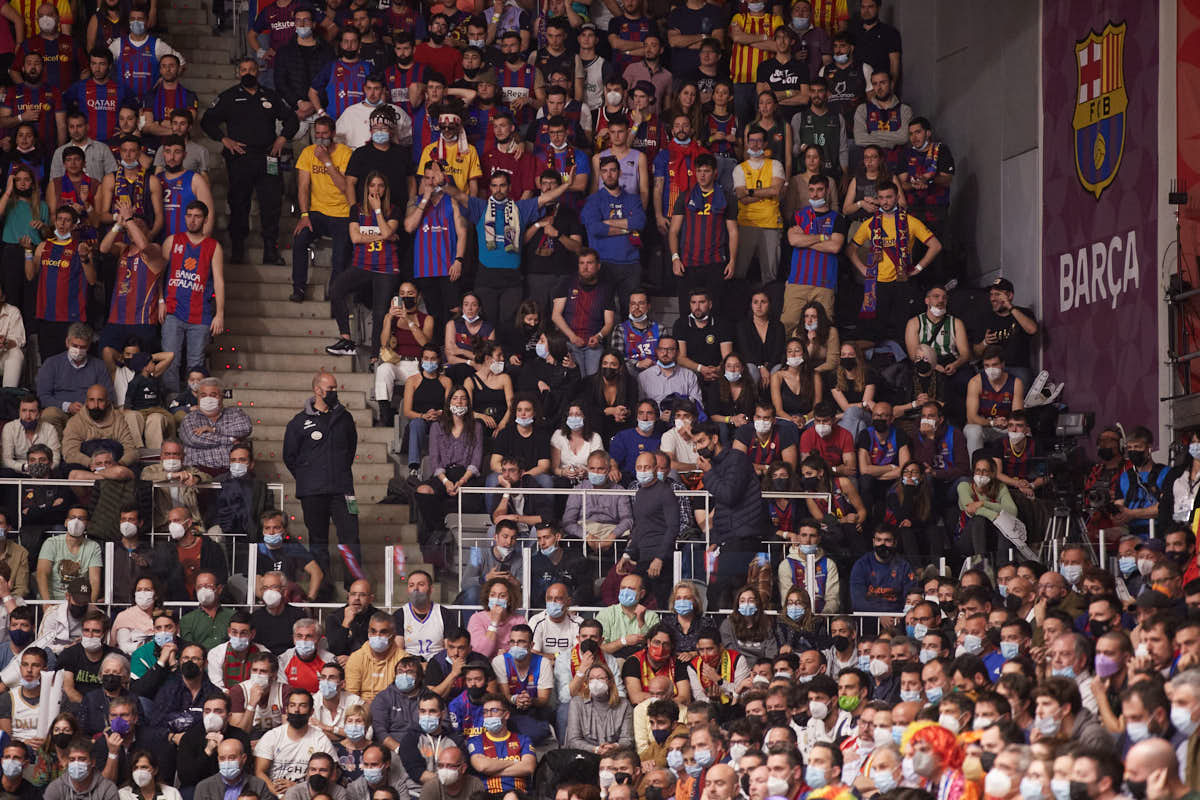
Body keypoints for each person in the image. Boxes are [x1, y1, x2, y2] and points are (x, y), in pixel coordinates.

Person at [199, 57, 298, 265]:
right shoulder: (229, 97)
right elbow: (207, 121)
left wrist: (282, 138)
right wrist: (224, 139)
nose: (248, 73)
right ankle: (237, 249)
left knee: (271, 204)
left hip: (268, 158)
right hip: (240, 158)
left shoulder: (270, 96)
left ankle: (270, 250)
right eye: (243, 70)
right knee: (238, 204)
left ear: (258, 72)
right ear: (238, 73)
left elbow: (292, 119)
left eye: (251, 69)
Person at [282, 372, 362, 589]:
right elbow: (289, 456)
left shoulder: (345, 417)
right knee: (318, 538)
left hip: (344, 490)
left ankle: (354, 585)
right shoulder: (299, 422)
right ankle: (324, 587)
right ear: (317, 390)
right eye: (330, 389)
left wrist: (340, 471)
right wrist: (308, 477)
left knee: (351, 535)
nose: (334, 392)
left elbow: (350, 449)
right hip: (312, 492)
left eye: (336, 388)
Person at [846, 180, 941, 343]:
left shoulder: (910, 221)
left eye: (889, 197)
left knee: (902, 331)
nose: (885, 201)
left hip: (902, 282)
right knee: (874, 332)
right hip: (876, 285)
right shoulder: (870, 224)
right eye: (881, 198)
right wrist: (864, 269)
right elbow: (850, 250)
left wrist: (918, 268)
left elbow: (936, 245)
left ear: (897, 197)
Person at [291, 115, 351, 303]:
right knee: (300, 239)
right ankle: (298, 287)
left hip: (342, 213)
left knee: (340, 257)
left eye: (325, 133)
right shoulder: (308, 153)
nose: (321, 137)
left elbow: (344, 187)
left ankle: (335, 294)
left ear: (332, 133)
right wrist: (304, 215)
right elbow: (303, 187)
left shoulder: (345, 153)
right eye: (317, 134)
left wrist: (326, 161)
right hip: (317, 213)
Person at [581, 156, 645, 318]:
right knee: (600, 313)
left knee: (630, 313)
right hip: (603, 262)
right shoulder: (593, 200)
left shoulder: (632, 199)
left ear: (619, 172)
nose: (608, 175)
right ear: (600, 175)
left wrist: (608, 223)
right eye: (604, 171)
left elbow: (639, 222)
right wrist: (626, 228)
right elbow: (595, 228)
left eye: (612, 170)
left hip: (630, 263)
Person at [783, 172, 845, 328]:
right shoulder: (798, 216)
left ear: (827, 190)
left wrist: (805, 239)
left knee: (823, 329)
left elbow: (835, 247)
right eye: (811, 190)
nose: (815, 194)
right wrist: (824, 237)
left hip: (824, 283)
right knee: (788, 324)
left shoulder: (837, 218)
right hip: (797, 281)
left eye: (819, 189)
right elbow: (793, 240)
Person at [732, 128, 784, 285]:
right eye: (752, 140)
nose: (755, 145)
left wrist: (751, 191)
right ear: (747, 143)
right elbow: (742, 196)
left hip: (771, 224)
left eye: (759, 140)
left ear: (765, 143)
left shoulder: (775, 165)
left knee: (770, 276)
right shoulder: (739, 168)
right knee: (739, 273)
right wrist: (765, 195)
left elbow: (775, 190)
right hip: (746, 223)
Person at [42, 737, 119, 800]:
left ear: (93, 762)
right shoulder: (56, 787)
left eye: (82, 759)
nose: (76, 763)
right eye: (72, 759)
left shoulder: (107, 788)